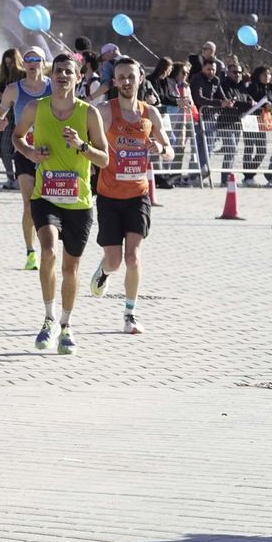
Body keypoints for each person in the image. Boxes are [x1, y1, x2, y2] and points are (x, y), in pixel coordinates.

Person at [14, 51, 108, 355]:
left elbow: (104, 159)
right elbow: (17, 137)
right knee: (48, 250)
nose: (62, 76)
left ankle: (66, 326)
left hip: (79, 202)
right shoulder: (35, 107)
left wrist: (82, 146)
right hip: (45, 196)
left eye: (69, 72)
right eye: (58, 71)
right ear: (49, 75)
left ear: (78, 78)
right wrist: (29, 153)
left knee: (71, 268)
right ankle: (48, 318)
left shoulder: (88, 113)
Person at [89, 57, 172, 336]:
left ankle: (130, 314)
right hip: (109, 195)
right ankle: (103, 271)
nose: (126, 82)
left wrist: (159, 149)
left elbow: (169, 150)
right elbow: (84, 133)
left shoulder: (151, 114)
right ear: (114, 81)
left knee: (133, 258)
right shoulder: (105, 111)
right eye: (121, 77)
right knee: (114, 261)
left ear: (141, 80)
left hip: (138, 195)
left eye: (131, 77)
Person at [0, 46, 52, 270]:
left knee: (48, 203)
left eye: (37, 59)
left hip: (51, 153)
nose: (32, 62)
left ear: (43, 63)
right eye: (28, 59)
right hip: (24, 151)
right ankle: (30, 252)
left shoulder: (53, 86)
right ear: (24, 64)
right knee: (28, 205)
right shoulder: (13, 89)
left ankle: (50, 246)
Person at [0, 48, 20, 190]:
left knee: (20, 148)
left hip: (19, 117)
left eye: (11, 63)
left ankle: (20, 177)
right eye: (6, 63)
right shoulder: (5, 77)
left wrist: (2, 97)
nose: (9, 66)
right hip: (6, 117)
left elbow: (18, 97)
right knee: (4, 149)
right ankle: (10, 176)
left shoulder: (23, 76)